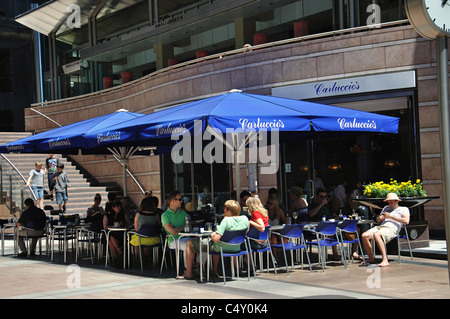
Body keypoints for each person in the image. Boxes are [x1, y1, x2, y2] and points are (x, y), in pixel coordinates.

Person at [182, 200, 249, 279]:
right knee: (216, 244)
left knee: (190, 243)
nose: (223, 210)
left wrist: (213, 234)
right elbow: (246, 232)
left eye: (225, 208)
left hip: (221, 247)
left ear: (228, 210)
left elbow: (215, 239)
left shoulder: (226, 220)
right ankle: (214, 271)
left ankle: (188, 273)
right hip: (237, 247)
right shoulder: (245, 219)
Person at [361, 193, 410, 267]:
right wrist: (379, 219)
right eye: (389, 202)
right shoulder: (386, 208)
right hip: (382, 226)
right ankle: (371, 258)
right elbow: (377, 221)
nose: (390, 203)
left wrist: (390, 217)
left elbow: (406, 221)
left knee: (377, 234)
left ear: (397, 201)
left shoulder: (403, 209)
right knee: (364, 235)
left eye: (392, 202)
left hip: (392, 228)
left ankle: (385, 260)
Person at [161, 191, 190, 270]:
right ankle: (187, 269)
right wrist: (184, 226)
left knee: (202, 245)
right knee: (189, 247)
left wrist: (177, 228)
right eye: (179, 199)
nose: (181, 201)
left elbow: (189, 227)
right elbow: (172, 232)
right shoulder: (165, 215)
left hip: (185, 238)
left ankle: (196, 265)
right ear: (173, 201)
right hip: (173, 240)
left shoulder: (182, 213)